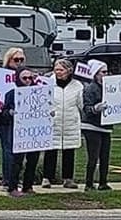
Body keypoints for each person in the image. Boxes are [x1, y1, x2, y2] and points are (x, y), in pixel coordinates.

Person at [0, 47, 27, 190]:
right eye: (16, 59)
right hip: (4, 119)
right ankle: (8, 180)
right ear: (8, 60)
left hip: (22, 120)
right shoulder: (1, 76)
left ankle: (15, 179)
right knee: (8, 150)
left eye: (21, 59)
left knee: (19, 151)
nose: (19, 62)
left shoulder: (26, 75)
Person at [42, 58, 83, 189]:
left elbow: (81, 105)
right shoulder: (47, 83)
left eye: (61, 70)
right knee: (50, 151)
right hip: (53, 122)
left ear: (69, 71)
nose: (58, 72)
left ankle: (68, 179)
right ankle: (47, 178)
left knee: (69, 151)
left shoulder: (77, 86)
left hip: (70, 123)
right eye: (56, 69)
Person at [2, 69, 41, 197]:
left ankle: (28, 186)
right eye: (24, 78)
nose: (28, 81)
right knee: (17, 160)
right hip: (19, 132)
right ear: (18, 79)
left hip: (34, 132)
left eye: (30, 78)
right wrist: (10, 112)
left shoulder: (39, 93)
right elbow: (4, 112)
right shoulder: (11, 94)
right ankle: (12, 187)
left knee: (33, 160)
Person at [80, 60, 113, 191]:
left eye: (107, 72)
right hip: (91, 126)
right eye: (103, 72)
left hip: (106, 126)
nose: (106, 74)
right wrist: (95, 108)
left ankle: (103, 182)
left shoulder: (110, 87)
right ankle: (89, 183)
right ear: (96, 74)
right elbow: (86, 108)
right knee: (93, 156)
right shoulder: (90, 89)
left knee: (105, 156)